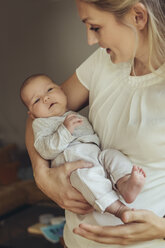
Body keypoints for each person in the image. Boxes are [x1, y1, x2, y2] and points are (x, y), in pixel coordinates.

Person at [25, 0, 165, 247]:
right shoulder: (103, 60)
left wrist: (162, 229)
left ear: (138, 16)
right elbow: (37, 115)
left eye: (95, 27)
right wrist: (42, 175)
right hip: (74, 241)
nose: (90, 40)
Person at [20, 73, 145, 220]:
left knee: (113, 155)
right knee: (87, 177)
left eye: (49, 90)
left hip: (96, 155)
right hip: (75, 165)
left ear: (61, 90)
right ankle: (118, 209)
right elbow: (45, 150)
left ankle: (125, 183)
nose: (46, 98)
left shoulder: (72, 114)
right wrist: (64, 131)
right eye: (36, 100)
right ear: (32, 115)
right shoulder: (40, 124)